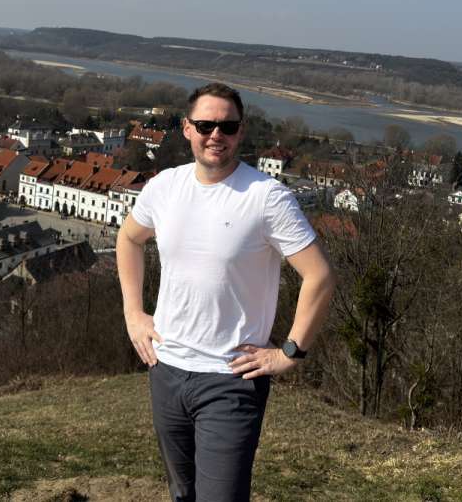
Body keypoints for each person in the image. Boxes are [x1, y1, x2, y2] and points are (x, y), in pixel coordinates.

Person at [117, 82, 335, 501]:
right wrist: (133, 314)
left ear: (241, 131)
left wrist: (290, 352)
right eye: (205, 125)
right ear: (187, 128)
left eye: (227, 126)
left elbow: (320, 276)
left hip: (231, 380)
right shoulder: (165, 187)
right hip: (166, 367)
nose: (216, 134)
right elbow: (128, 239)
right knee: (182, 493)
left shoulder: (266, 197)